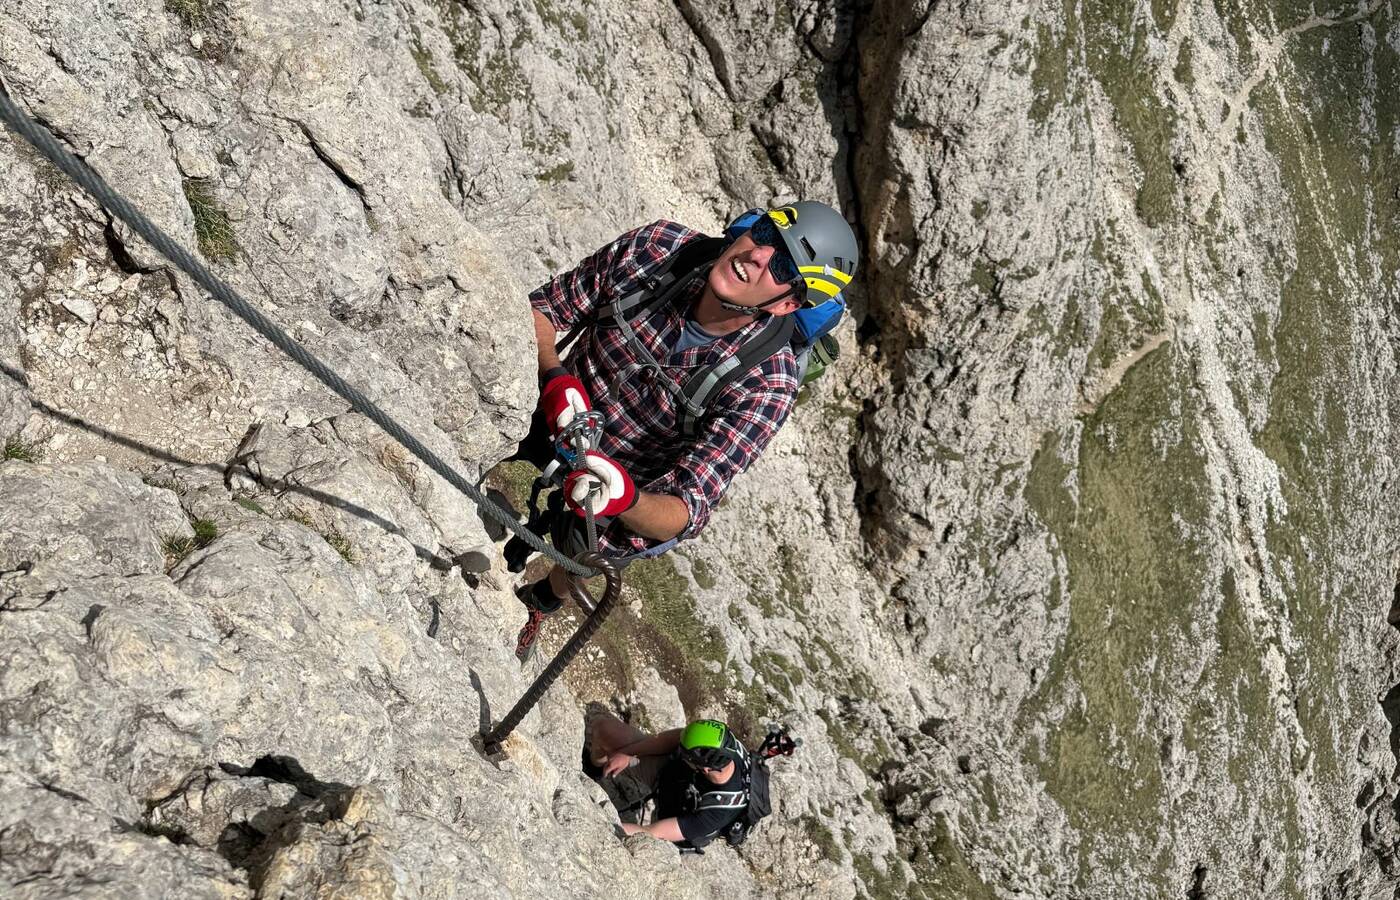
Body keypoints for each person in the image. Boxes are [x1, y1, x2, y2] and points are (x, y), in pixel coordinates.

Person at [507, 202, 860, 660]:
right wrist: (555, 377)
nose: (757, 256)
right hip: (551, 408)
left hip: (618, 481)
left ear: (788, 304)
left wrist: (625, 498)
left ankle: (543, 599)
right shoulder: (658, 249)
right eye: (767, 235)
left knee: (596, 551)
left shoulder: (767, 385)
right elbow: (543, 309)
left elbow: (686, 508)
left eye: (783, 268)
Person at [585, 715, 751, 849]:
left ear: (705, 768)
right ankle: (595, 769)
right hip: (670, 773)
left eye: (685, 755)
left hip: (681, 814)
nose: (680, 751)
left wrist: (597, 826)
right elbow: (667, 740)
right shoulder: (725, 744)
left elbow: (650, 832)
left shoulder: (716, 812)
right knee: (605, 729)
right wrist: (627, 753)